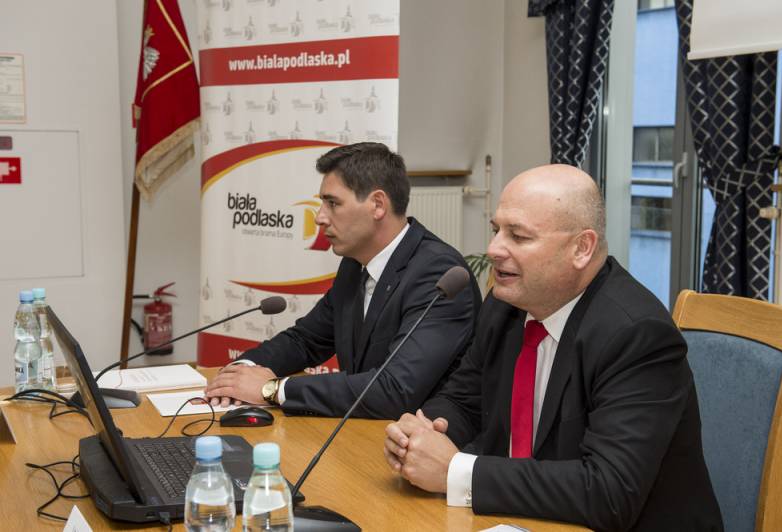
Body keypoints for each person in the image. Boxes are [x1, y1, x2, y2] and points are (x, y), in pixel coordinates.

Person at [383, 165, 723, 531]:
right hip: (524, 518)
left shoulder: (637, 335)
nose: (494, 249)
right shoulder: (505, 306)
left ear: (581, 248)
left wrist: (456, 471)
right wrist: (422, 436)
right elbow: (464, 401)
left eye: (518, 236)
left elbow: (609, 492)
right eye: (497, 231)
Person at [205, 142, 481, 419]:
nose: (319, 217)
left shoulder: (437, 273)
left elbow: (395, 389)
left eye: (333, 203)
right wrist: (240, 371)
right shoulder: (354, 265)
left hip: (420, 435)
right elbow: (305, 340)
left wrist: (273, 389)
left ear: (378, 205)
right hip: (363, 427)